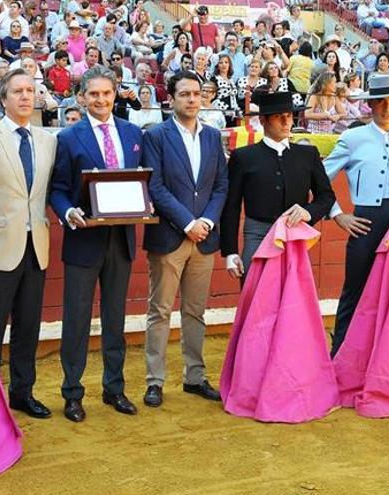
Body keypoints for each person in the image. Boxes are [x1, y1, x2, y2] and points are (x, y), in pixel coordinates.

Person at [49, 66, 143, 422]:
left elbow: (142, 182)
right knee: (76, 320)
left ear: (115, 94)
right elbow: (57, 189)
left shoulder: (134, 133)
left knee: (115, 318)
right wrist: (68, 210)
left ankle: (114, 388)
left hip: (121, 239)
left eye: (106, 94)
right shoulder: (69, 138)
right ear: (81, 98)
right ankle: (72, 393)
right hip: (83, 237)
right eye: (93, 95)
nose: (101, 100)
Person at [0, 68, 57, 419]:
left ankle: (22, 392)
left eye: (30, 90)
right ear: (3, 98)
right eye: (17, 91)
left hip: (36, 244)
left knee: (28, 326)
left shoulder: (49, 139)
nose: (25, 96)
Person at [323, 73, 389, 357]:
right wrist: (337, 214)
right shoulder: (353, 137)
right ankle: (340, 354)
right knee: (354, 291)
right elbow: (319, 178)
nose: (387, 107)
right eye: (380, 101)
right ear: (370, 105)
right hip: (365, 222)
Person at [140, 71, 228, 408]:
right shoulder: (157, 136)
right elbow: (155, 186)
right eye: (185, 94)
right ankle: (155, 381)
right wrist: (187, 222)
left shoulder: (212, 136)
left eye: (197, 94)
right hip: (170, 235)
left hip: (203, 236)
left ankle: (194, 376)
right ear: (171, 99)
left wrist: (205, 221)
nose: (192, 100)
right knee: (159, 311)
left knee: (195, 311)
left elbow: (221, 184)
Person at [221, 89, 335, 278]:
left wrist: (309, 212)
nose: (286, 122)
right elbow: (231, 206)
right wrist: (230, 251)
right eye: (278, 116)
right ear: (264, 120)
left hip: (295, 234)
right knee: (255, 293)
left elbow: (326, 196)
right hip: (257, 234)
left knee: (293, 297)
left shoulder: (308, 154)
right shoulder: (244, 157)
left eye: (289, 116)